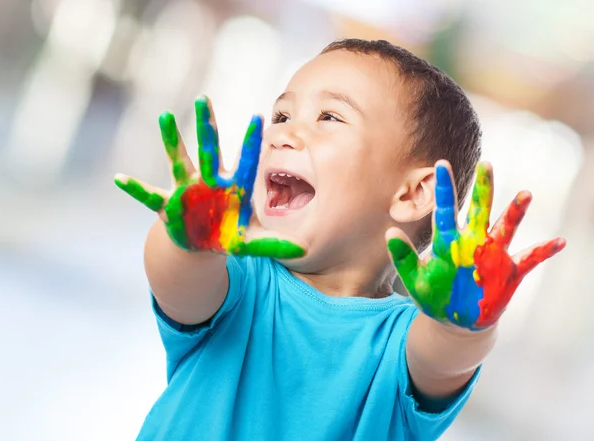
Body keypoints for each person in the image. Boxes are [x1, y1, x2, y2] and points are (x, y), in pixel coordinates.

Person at [115, 39, 565, 440]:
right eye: (282, 114)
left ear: (412, 193)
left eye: (329, 116)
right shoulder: (239, 282)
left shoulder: (402, 342)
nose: (281, 133)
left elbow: (446, 359)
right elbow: (177, 283)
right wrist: (187, 243)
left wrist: (461, 323)